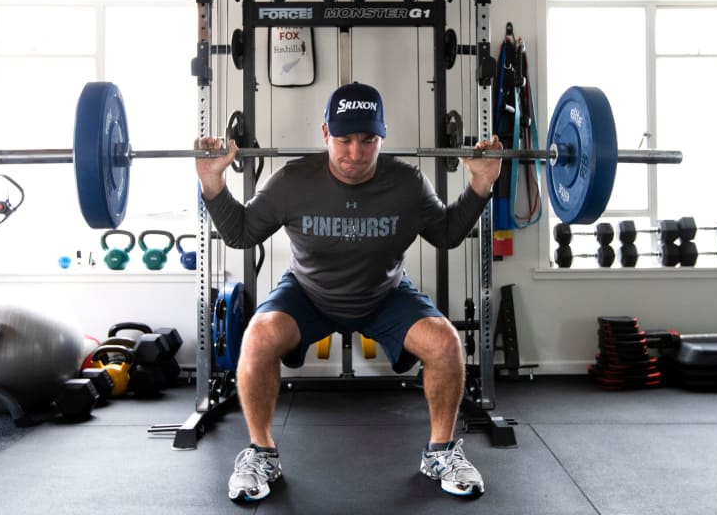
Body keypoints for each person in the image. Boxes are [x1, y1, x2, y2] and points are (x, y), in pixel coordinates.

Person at [194, 82, 502, 502]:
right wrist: (212, 181)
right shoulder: (293, 181)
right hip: (308, 292)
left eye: (368, 140)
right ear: (325, 134)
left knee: (445, 342)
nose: (355, 153)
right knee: (258, 337)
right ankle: (262, 453)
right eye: (344, 139)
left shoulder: (408, 183)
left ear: (382, 137)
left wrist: (481, 184)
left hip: (384, 294)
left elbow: (446, 234)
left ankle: (441, 452)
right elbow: (240, 232)